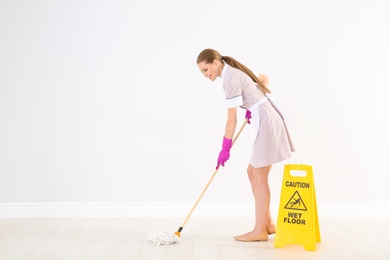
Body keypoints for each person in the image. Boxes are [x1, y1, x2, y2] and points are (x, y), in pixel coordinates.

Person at [196, 48, 295, 242]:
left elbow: (231, 119)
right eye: (202, 72)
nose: (205, 75)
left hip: (267, 120)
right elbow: (264, 79)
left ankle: (259, 231)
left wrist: (225, 147)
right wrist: (254, 103)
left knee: (258, 174)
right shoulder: (234, 68)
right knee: (253, 172)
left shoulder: (229, 79)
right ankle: (267, 224)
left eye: (206, 69)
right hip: (266, 116)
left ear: (216, 62)